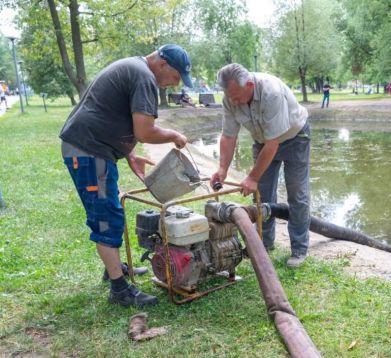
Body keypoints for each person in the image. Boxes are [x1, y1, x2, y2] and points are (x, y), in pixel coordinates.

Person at [60, 44, 193, 307]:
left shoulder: (134, 67)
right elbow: (145, 131)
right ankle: (119, 290)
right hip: (89, 152)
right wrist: (175, 136)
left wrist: (129, 153)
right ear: (163, 64)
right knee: (106, 217)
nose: (174, 84)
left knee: (108, 209)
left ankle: (114, 268)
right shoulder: (144, 76)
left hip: (92, 149)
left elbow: (111, 111)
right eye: (176, 77)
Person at [210, 63, 311, 268]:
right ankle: (264, 244)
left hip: (295, 137)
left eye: (237, 97)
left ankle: (299, 249)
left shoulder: (271, 91)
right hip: (264, 140)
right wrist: (222, 168)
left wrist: (252, 177)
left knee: (297, 194)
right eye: (230, 97)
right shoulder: (230, 98)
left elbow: (273, 143)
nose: (234, 102)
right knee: (262, 195)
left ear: (249, 84)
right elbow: (229, 136)